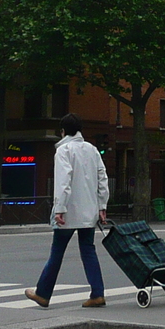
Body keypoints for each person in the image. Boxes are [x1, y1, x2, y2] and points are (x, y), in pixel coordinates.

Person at [25, 114, 109, 309]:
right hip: (89, 212)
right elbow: (102, 178)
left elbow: (63, 182)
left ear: (62, 131)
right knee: (88, 251)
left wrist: (59, 208)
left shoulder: (63, 150)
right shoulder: (92, 150)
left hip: (69, 212)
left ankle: (43, 293)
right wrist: (102, 206)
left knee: (57, 252)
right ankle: (98, 293)